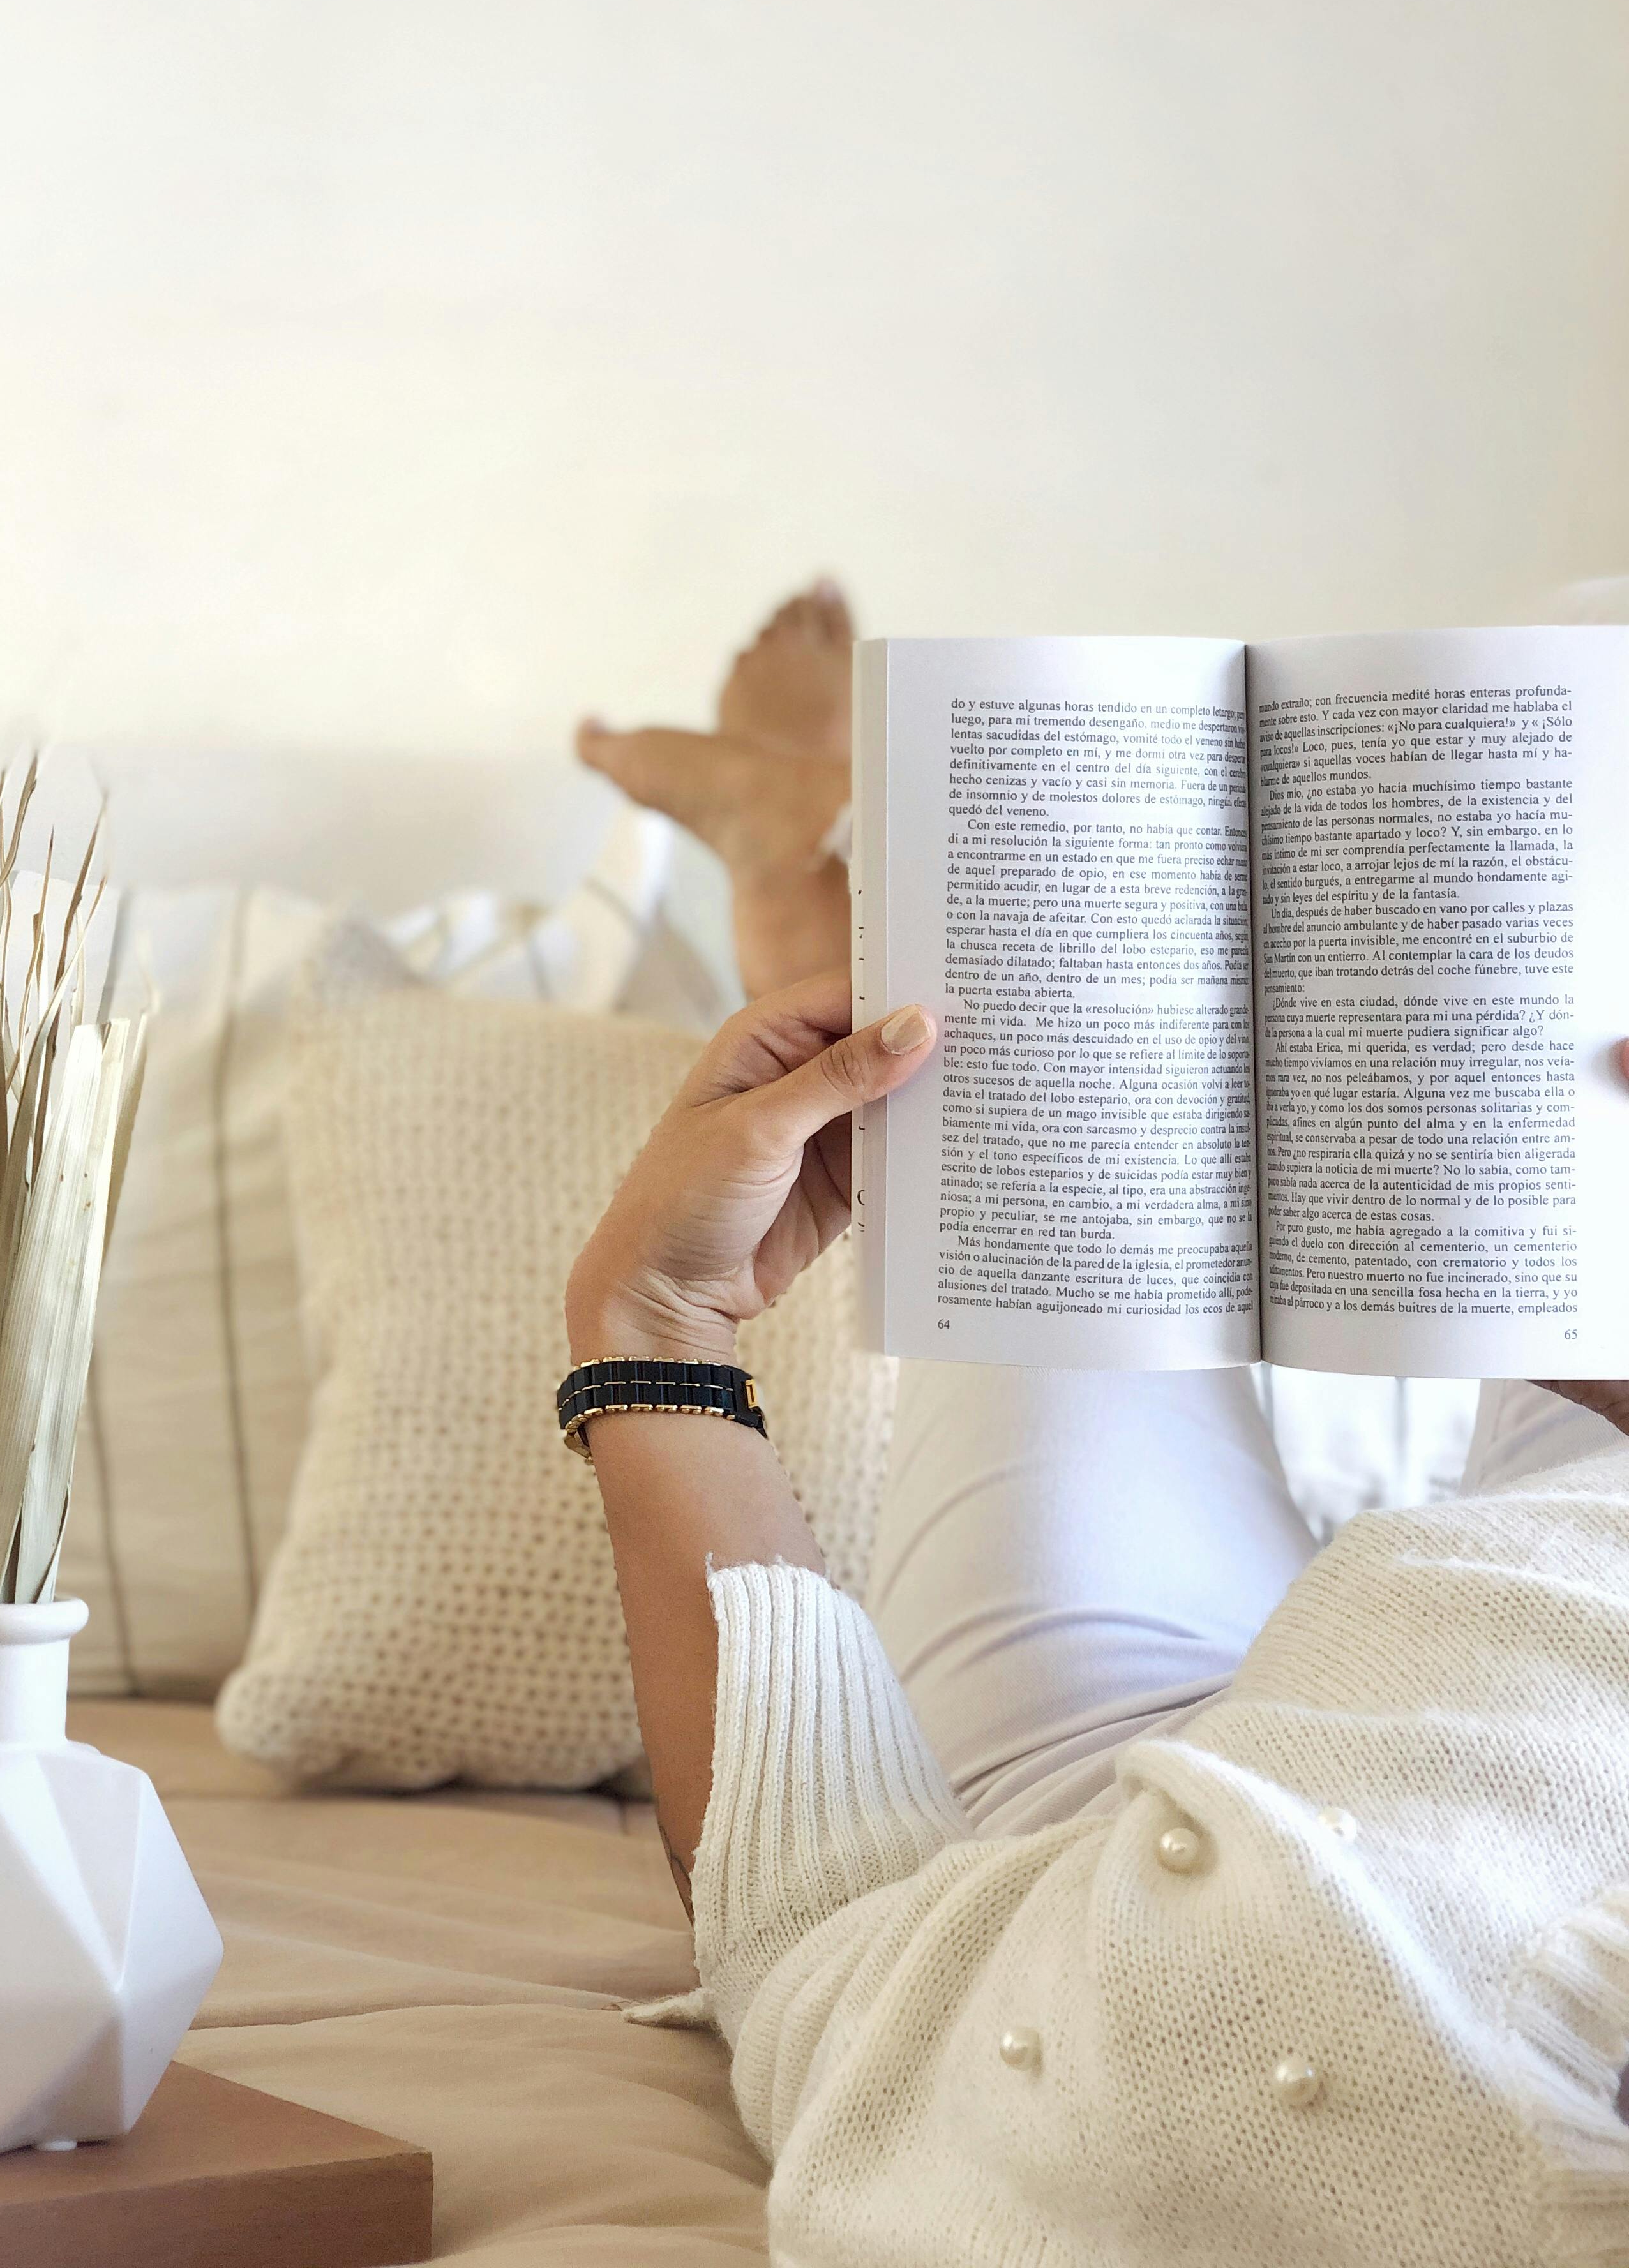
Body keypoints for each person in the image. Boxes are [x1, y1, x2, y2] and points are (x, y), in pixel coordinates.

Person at [569, 592, 1629, 2266]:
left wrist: (654, 1333)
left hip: (1132, 1793)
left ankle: (825, 918)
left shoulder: (1134, 2144)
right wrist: (646, 1334)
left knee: (1033, 1117)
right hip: (1506, 1590)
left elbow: (817, 1969)